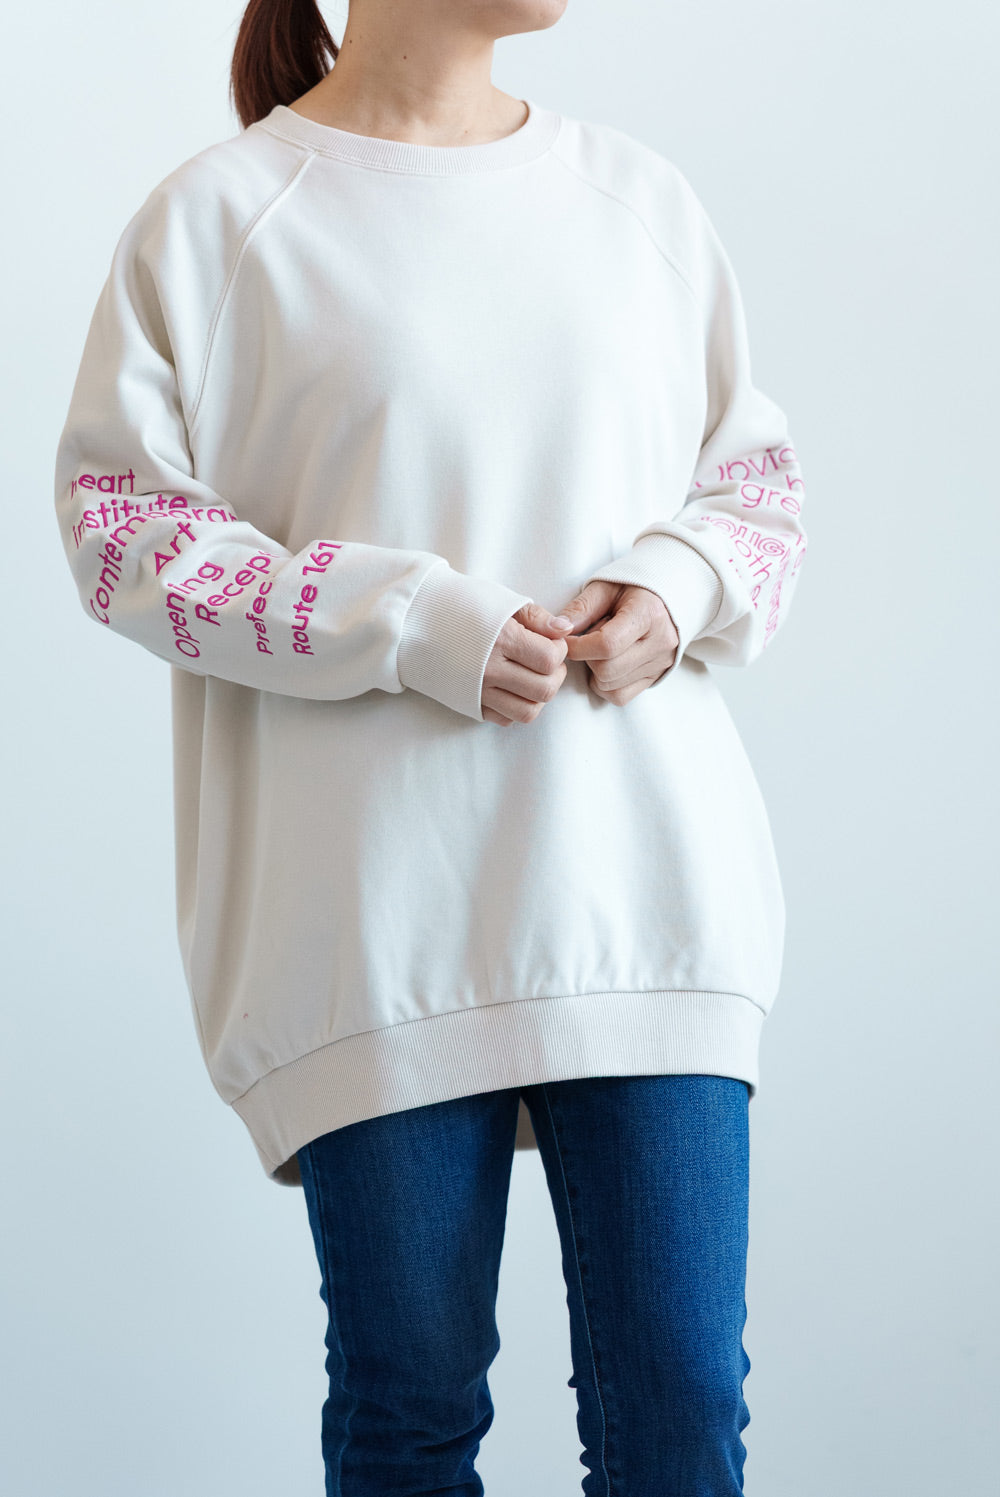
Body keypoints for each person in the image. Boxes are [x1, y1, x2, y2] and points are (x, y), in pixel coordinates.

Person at [53, 0, 808, 1490]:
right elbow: (123, 537)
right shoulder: (220, 221)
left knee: (680, 1419)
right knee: (409, 1416)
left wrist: (679, 587)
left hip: (647, 905)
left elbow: (759, 491)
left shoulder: (638, 202)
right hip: (374, 934)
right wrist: (406, 620)